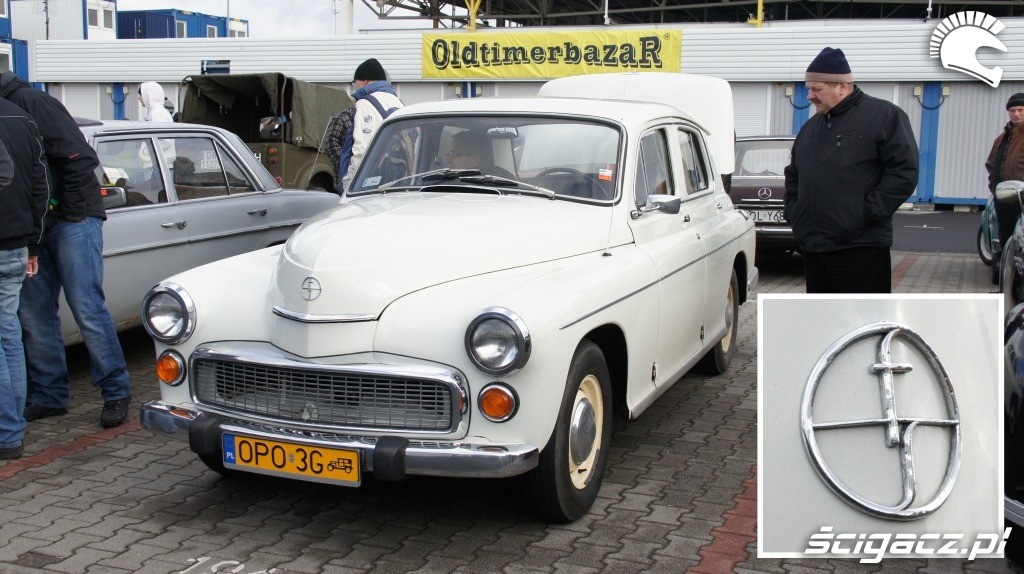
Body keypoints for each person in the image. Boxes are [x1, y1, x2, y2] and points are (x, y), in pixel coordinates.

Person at [0, 71, 133, 428]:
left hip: (72, 220)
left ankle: (116, 390)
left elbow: (80, 158)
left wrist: (69, 214)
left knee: (86, 307)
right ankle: (49, 395)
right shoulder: (12, 108)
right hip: (36, 227)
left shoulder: (32, 102)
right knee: (35, 315)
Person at [783, 47, 919, 293]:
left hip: (860, 248)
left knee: (861, 316)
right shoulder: (811, 127)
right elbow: (793, 175)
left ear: (842, 87)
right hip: (815, 248)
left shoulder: (884, 116)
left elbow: (903, 174)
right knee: (822, 315)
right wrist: (795, 213)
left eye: (816, 89)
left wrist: (862, 214)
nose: (810, 96)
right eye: (808, 88)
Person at [0, 99, 49, 459]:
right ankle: (12, 430)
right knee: (9, 335)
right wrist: (32, 244)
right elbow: (40, 187)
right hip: (17, 242)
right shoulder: (23, 118)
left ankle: (7, 433)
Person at [339, 58, 404, 191]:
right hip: (398, 181)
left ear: (365, 81)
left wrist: (349, 184)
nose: (354, 86)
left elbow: (362, 149)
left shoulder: (366, 104)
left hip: (370, 185)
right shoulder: (398, 102)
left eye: (354, 82)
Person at [986, 92, 1024, 250]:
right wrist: (994, 188)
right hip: (1003, 198)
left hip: (1022, 197)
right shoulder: (1001, 138)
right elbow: (991, 165)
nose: (1016, 114)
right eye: (1012, 110)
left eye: (1021, 110)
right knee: (1006, 239)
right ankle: (1004, 265)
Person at [323, 105, 353, 193]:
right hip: (345, 182)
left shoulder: (371, 118)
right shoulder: (343, 118)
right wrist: (348, 164)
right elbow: (331, 145)